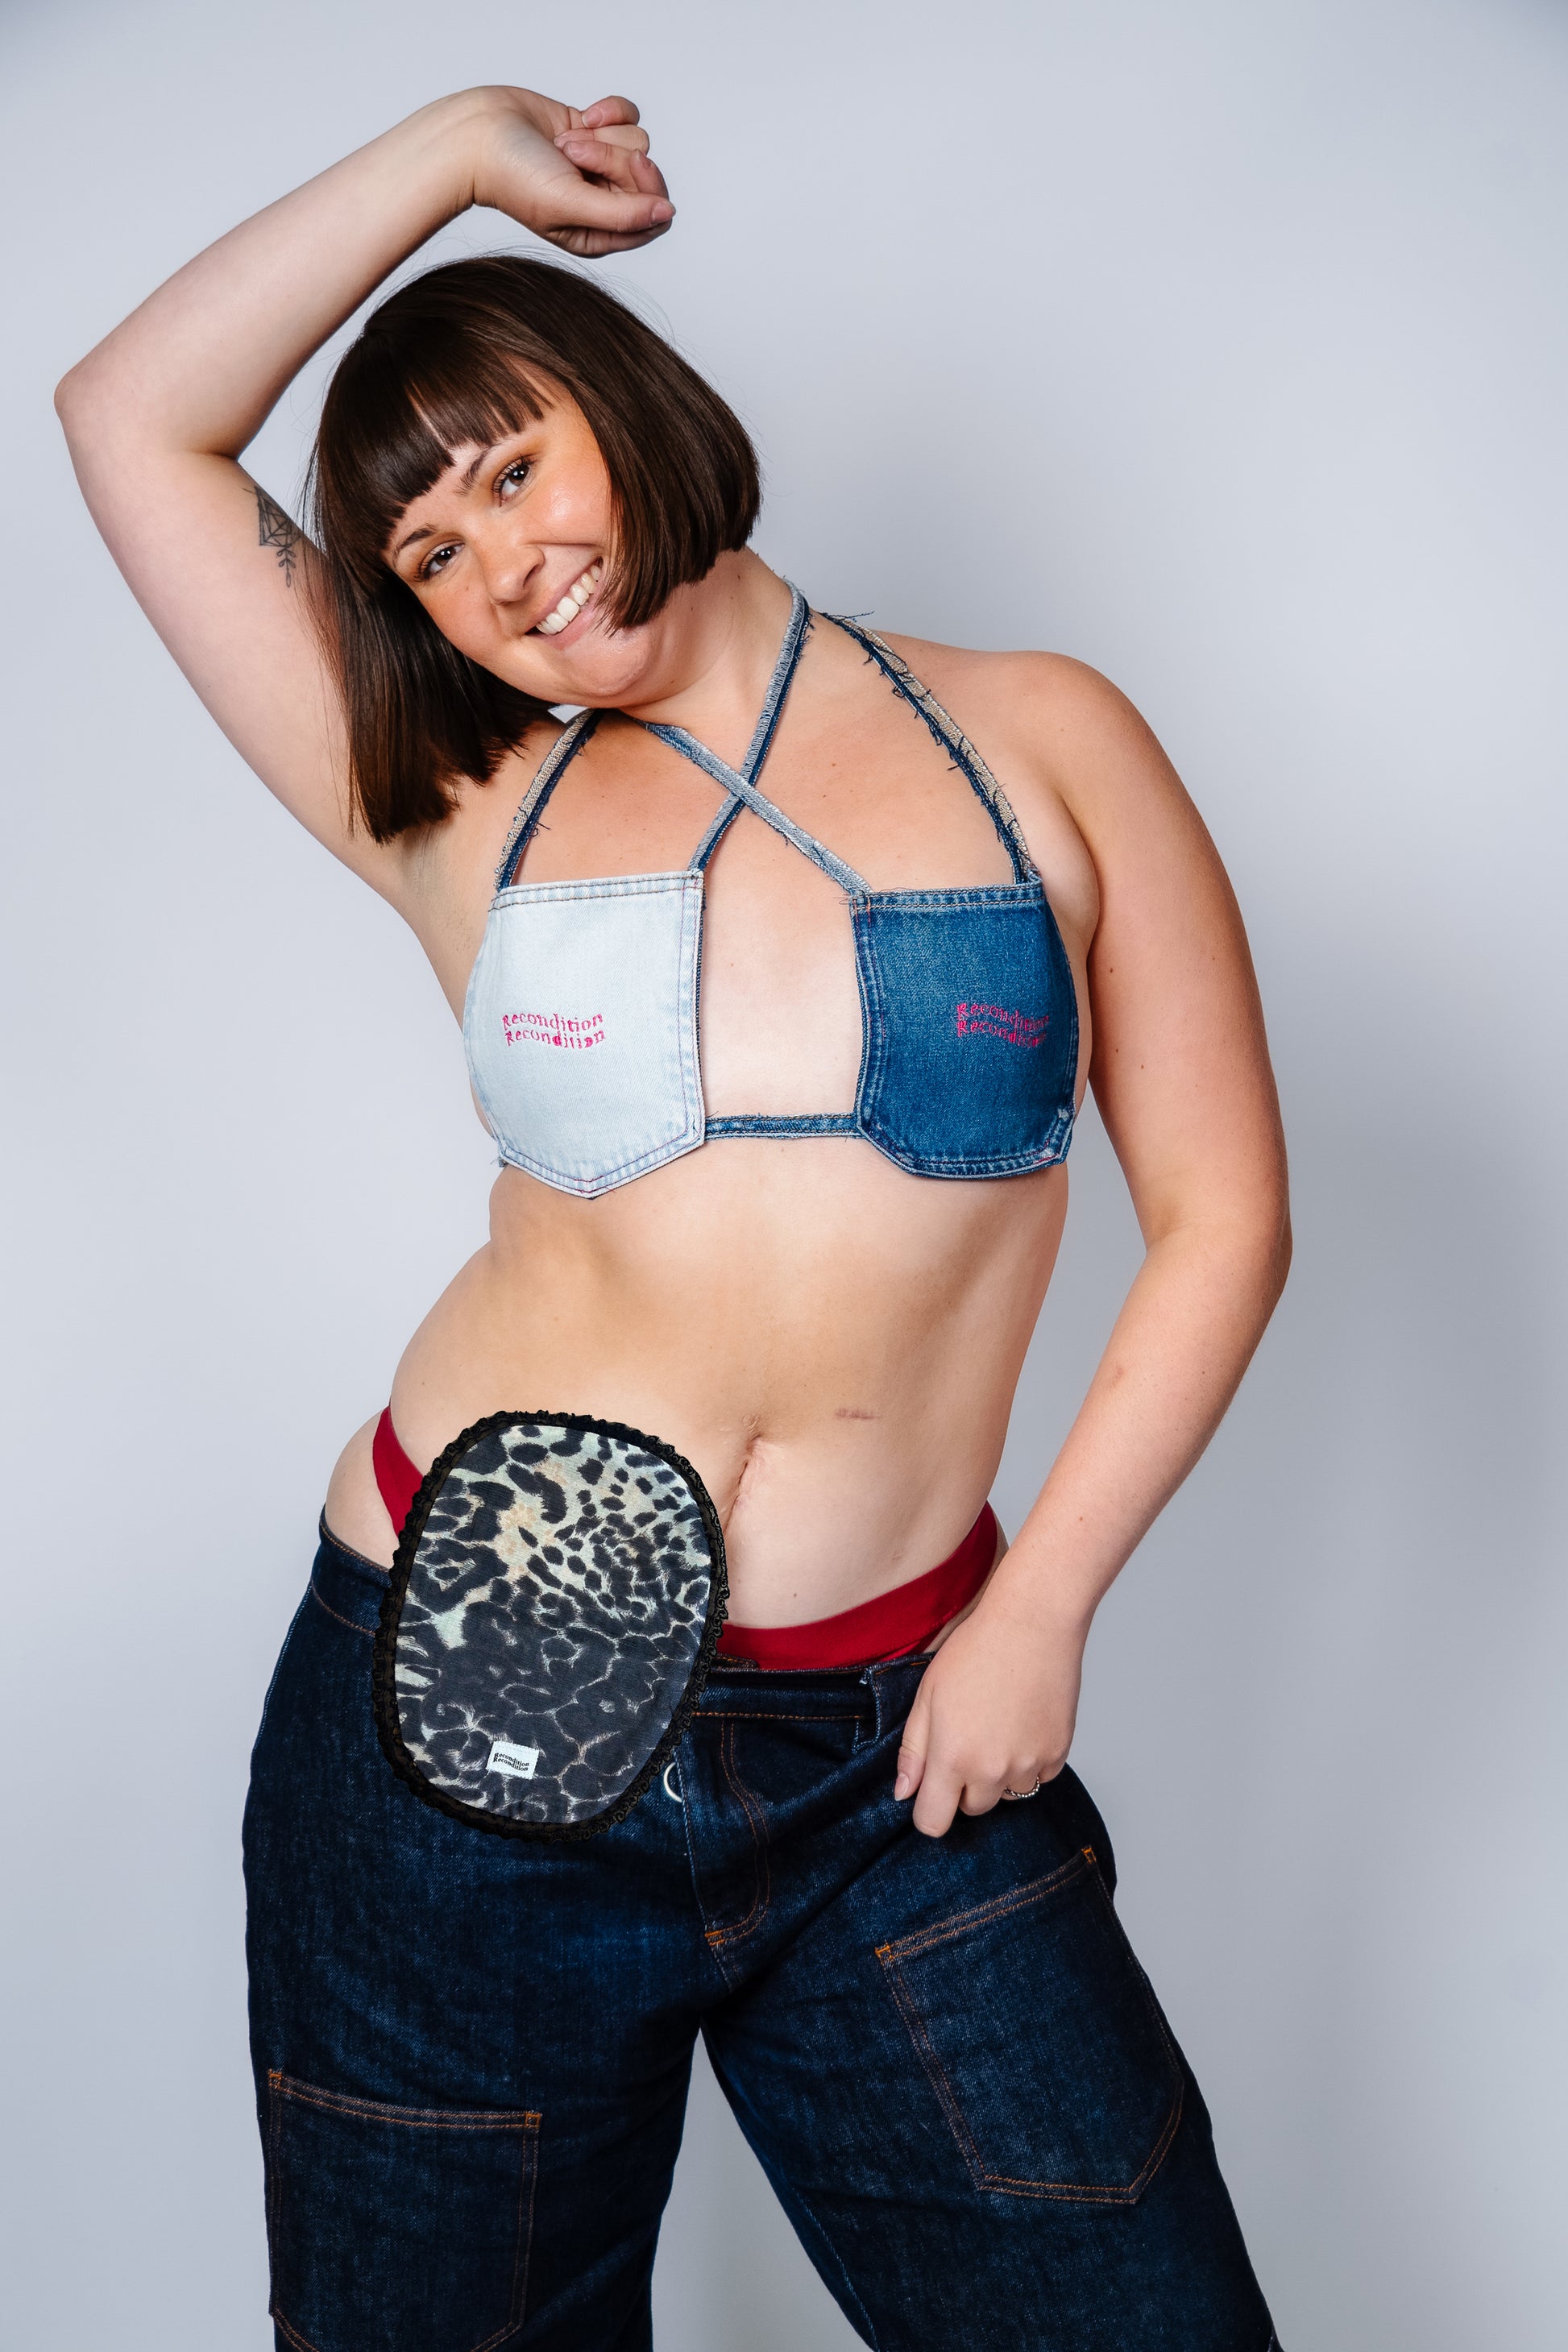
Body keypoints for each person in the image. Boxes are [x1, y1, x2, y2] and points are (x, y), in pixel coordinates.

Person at [56, 81, 1290, 2352]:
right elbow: (128, 416)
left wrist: (1042, 1606)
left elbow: (1221, 1214)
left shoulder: (1037, 737)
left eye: (513, 466)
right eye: (429, 550)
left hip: (900, 1740)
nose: (499, 563)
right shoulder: (450, 796)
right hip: (456, 1712)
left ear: (628, 407)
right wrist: (455, 151)